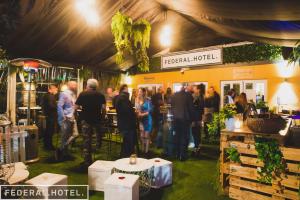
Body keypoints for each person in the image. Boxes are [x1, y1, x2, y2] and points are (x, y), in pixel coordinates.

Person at [75, 79, 106, 166]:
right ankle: (97, 148)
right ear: (96, 86)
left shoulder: (83, 94)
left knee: (86, 140)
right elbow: (103, 109)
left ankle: (87, 160)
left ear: (88, 85)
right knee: (97, 136)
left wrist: (77, 117)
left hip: (86, 119)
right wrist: (102, 118)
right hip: (97, 119)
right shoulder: (100, 95)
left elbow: (75, 107)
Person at [171, 84, 194, 161]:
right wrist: (192, 119)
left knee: (177, 136)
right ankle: (182, 155)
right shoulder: (188, 95)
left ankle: (177, 153)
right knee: (184, 137)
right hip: (185, 119)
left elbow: (172, 107)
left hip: (176, 119)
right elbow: (191, 108)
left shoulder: (174, 95)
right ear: (185, 88)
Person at [56, 81, 77, 161]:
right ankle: (64, 154)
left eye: (75, 85)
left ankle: (61, 149)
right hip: (66, 117)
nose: (75, 86)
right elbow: (59, 105)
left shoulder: (73, 94)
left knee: (75, 134)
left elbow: (73, 105)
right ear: (69, 85)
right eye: (74, 84)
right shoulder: (64, 93)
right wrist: (62, 116)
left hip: (72, 116)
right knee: (64, 136)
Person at [115, 84, 137, 157]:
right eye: (127, 89)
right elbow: (127, 112)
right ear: (124, 89)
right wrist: (134, 113)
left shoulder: (119, 98)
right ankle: (127, 159)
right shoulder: (124, 98)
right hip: (128, 124)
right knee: (129, 144)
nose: (128, 90)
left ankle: (125, 157)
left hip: (123, 123)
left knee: (126, 143)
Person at [137, 88, 153, 155]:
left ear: (143, 92)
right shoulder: (137, 100)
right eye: (138, 91)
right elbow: (137, 109)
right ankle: (142, 149)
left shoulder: (148, 100)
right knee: (141, 135)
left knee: (146, 136)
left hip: (148, 119)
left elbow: (149, 111)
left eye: (140, 91)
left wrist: (141, 114)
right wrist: (138, 113)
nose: (139, 92)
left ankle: (146, 151)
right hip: (141, 120)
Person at [42, 84, 58, 150]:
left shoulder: (46, 95)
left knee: (48, 130)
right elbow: (51, 106)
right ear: (51, 89)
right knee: (50, 131)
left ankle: (47, 144)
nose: (56, 91)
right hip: (51, 115)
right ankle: (49, 146)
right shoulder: (50, 96)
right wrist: (58, 106)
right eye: (56, 89)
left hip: (48, 115)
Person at [192, 84, 205, 155]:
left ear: (198, 90)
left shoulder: (196, 97)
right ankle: (198, 147)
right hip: (199, 117)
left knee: (195, 133)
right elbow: (202, 109)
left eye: (195, 88)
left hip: (195, 118)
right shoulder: (202, 97)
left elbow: (193, 107)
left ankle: (196, 148)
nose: (194, 89)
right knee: (198, 133)